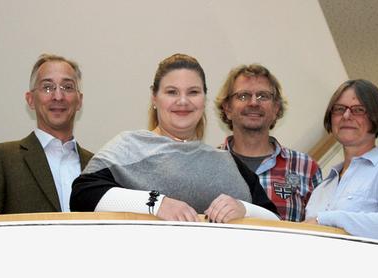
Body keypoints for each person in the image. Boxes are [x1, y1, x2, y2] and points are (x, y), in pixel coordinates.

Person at [70, 54, 278, 223]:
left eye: (193, 92)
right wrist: (157, 203)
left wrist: (244, 209)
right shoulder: (129, 146)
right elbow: (82, 195)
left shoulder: (228, 162)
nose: (183, 101)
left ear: (204, 99)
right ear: (154, 98)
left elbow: (275, 219)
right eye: (171, 92)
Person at [0, 54, 93, 223]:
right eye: (47, 87)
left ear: (79, 101)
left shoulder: (98, 166)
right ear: (30, 100)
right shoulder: (0, 158)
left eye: (67, 87)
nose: (58, 96)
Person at [304, 79, 378, 243]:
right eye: (339, 109)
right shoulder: (322, 187)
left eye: (358, 110)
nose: (346, 116)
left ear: (376, 116)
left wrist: (325, 219)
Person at [215, 64, 322, 222]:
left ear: (276, 109)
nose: (253, 103)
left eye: (263, 96)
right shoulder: (208, 163)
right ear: (227, 108)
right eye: (243, 96)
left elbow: (319, 231)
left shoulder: (306, 167)